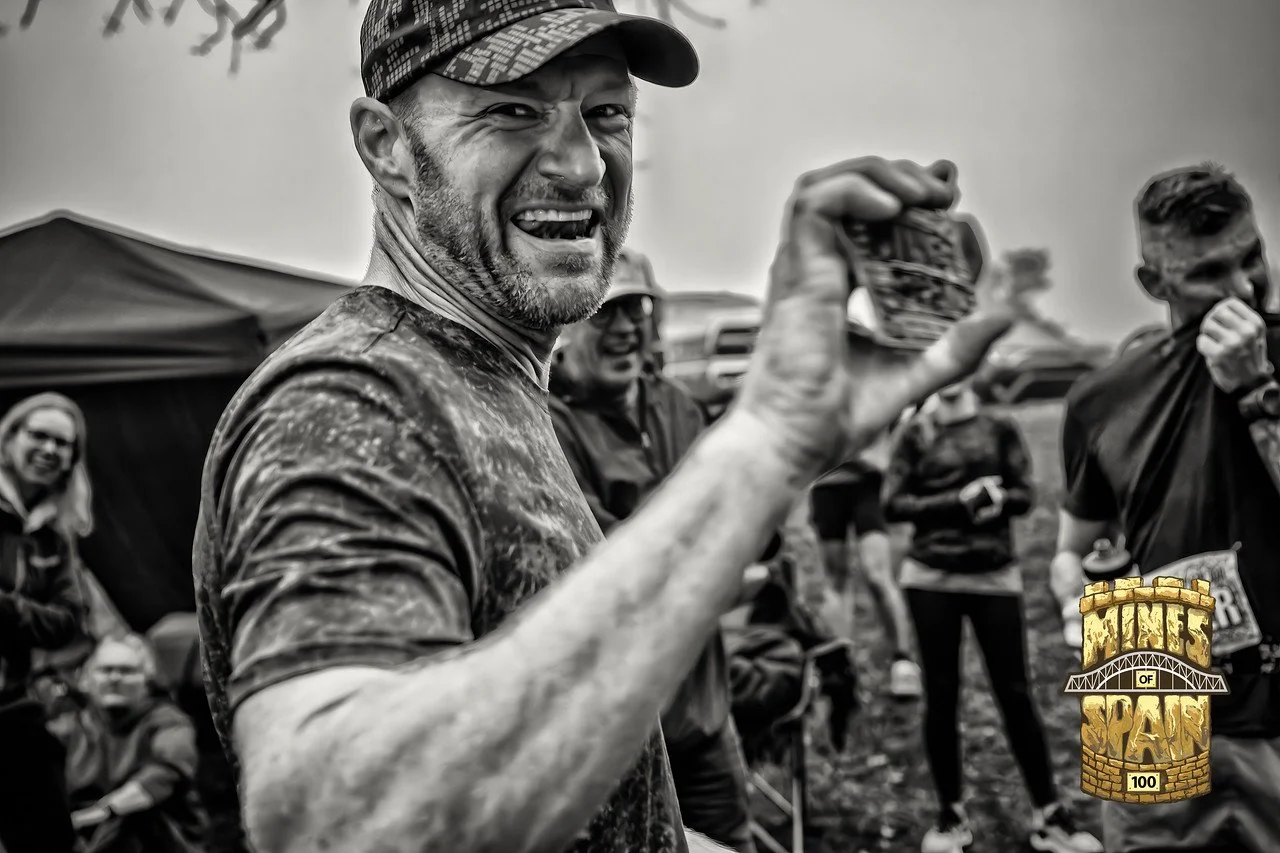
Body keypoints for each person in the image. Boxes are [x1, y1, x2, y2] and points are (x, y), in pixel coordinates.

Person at [191, 2, 1018, 851]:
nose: (583, 165)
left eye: (606, 113)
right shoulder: (354, 398)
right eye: (513, 109)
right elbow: (338, 822)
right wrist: (763, 442)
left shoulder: (482, 381)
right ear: (385, 145)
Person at [1050, 164, 1280, 853]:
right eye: (1209, 272)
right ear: (1155, 284)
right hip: (1146, 670)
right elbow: (1072, 547)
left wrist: (1256, 390)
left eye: (1252, 258)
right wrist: (1077, 589)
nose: (1242, 289)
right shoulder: (1102, 397)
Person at [549, 266, 766, 853]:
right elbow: (599, 559)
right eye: (606, 312)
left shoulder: (675, 406)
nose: (624, 329)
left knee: (732, 839)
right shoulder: (550, 426)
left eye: (635, 312)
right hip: (618, 733)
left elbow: (730, 509)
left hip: (703, 707)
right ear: (567, 323)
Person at [884, 383, 1102, 853]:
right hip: (931, 578)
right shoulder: (915, 432)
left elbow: (1026, 494)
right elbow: (893, 504)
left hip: (994, 577)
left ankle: (1049, 814)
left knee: (1016, 693)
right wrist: (956, 502)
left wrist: (998, 499)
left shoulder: (999, 427)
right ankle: (950, 817)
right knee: (941, 697)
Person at [0, 391, 92, 853]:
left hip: (12, 703)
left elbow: (68, 622)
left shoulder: (55, 533)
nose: (50, 449)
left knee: (49, 835)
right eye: (39, 435)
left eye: (63, 444)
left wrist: (7, 609)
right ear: (9, 437)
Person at [55, 634, 205, 853]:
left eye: (127, 671)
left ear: (147, 679)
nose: (114, 678)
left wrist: (104, 811)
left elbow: (166, 773)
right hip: (81, 839)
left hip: (156, 842)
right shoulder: (72, 727)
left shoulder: (168, 722)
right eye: (105, 670)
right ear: (87, 679)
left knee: (134, 814)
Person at [810, 427, 922, 698]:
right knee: (835, 577)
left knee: (876, 574)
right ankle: (841, 667)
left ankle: (903, 660)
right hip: (825, 483)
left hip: (866, 483)